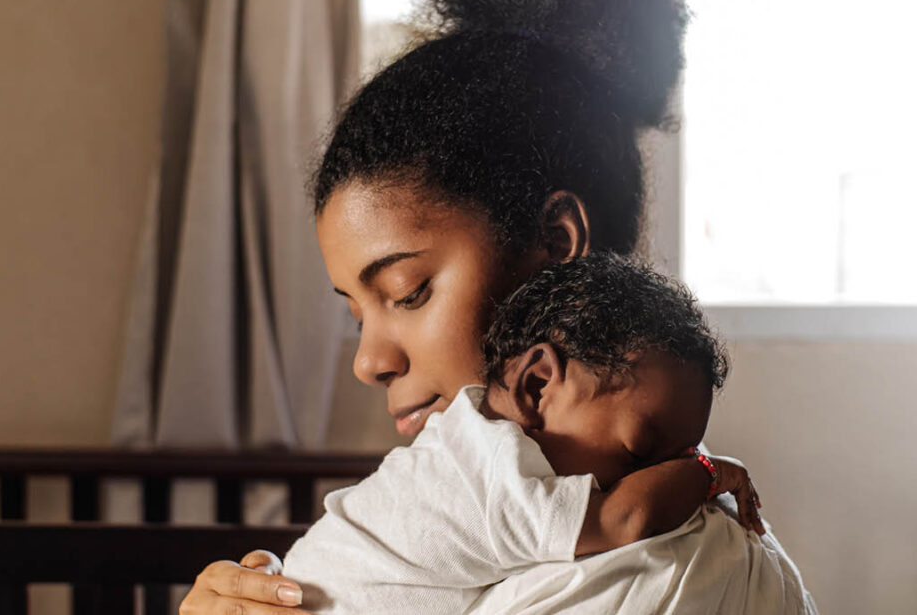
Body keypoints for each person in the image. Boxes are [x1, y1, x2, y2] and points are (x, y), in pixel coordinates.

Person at [179, 0, 806, 613]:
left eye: (409, 291)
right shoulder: (493, 526)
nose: (367, 362)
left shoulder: (663, 569)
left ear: (557, 247)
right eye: (354, 310)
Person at [278, 254, 764, 614]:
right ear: (536, 386)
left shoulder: (467, 434)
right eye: (641, 450)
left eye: (680, 454)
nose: (655, 474)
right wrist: (706, 471)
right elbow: (627, 519)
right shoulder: (496, 475)